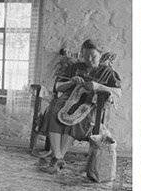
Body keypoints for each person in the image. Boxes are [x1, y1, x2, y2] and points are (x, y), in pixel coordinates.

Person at [37, 40, 121, 174]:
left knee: (77, 118)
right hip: (68, 99)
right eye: (85, 55)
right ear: (82, 54)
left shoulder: (108, 72)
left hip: (90, 104)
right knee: (53, 111)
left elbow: (117, 92)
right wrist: (71, 81)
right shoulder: (74, 67)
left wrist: (97, 86)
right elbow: (58, 87)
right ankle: (57, 158)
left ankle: (57, 158)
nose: (89, 59)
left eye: (93, 56)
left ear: (100, 54)